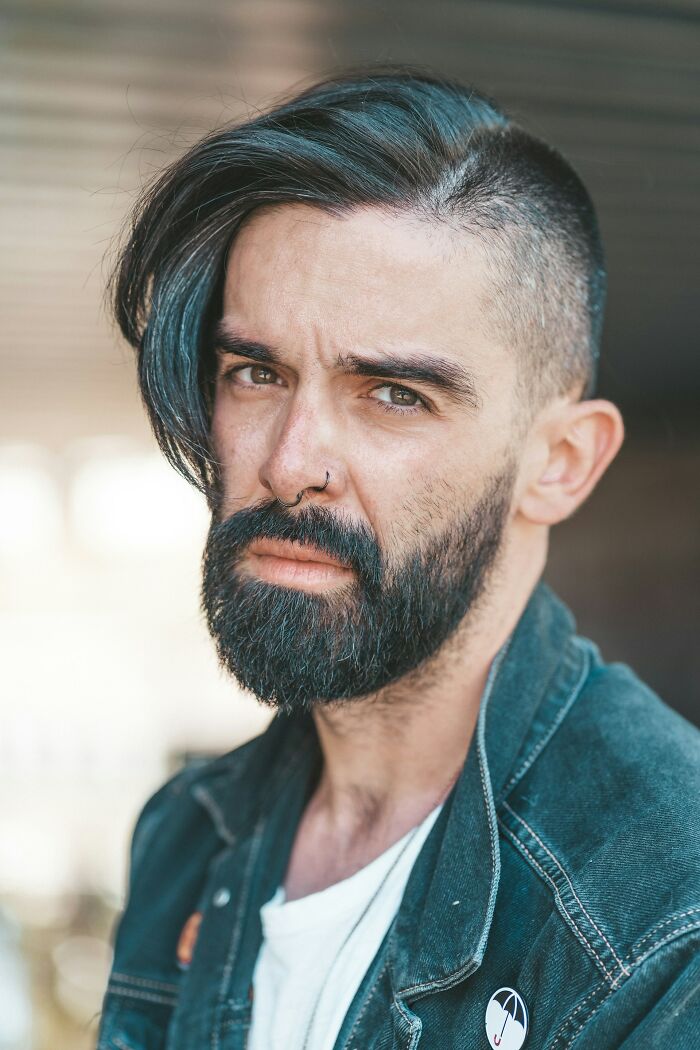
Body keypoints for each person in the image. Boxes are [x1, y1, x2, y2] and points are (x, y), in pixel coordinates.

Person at [95, 67, 700, 1049]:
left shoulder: (666, 915)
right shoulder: (186, 834)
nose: (289, 464)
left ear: (559, 463)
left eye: (393, 395)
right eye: (256, 372)